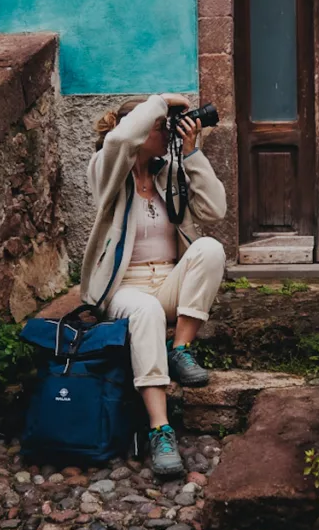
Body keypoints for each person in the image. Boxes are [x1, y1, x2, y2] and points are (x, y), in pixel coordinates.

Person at [81, 93, 227, 476]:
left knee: (209, 248)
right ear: (140, 128)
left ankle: (180, 349)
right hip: (124, 290)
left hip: (167, 283)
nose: (168, 131)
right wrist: (159, 101)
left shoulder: (168, 171)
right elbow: (118, 141)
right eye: (162, 126)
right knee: (143, 310)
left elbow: (215, 210)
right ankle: (160, 429)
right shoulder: (107, 169)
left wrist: (192, 155)